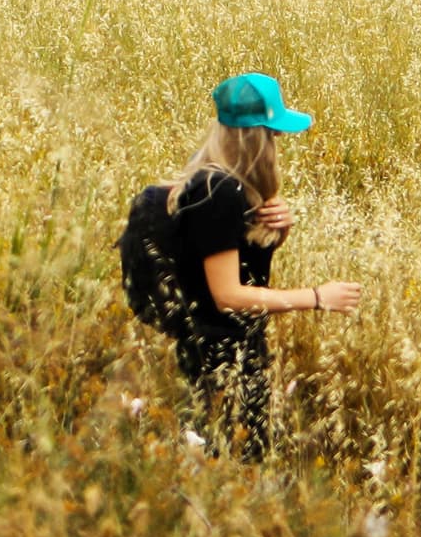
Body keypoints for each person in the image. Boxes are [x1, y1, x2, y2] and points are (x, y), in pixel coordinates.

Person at [118, 72, 365, 457]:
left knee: (219, 452)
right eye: (274, 134)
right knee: (235, 458)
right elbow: (227, 295)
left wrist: (276, 232)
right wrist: (317, 297)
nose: (278, 144)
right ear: (257, 139)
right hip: (221, 357)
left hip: (218, 349)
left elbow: (232, 265)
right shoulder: (220, 194)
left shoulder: (214, 183)